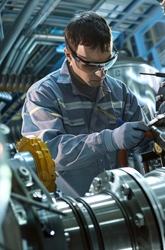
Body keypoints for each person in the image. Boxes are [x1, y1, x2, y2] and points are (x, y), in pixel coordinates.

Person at [21, 11, 151, 196]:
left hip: (123, 201)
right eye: (90, 65)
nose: (101, 73)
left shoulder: (120, 92)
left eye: (107, 63)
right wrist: (109, 140)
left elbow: (145, 144)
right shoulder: (44, 93)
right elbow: (50, 155)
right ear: (68, 54)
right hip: (74, 210)